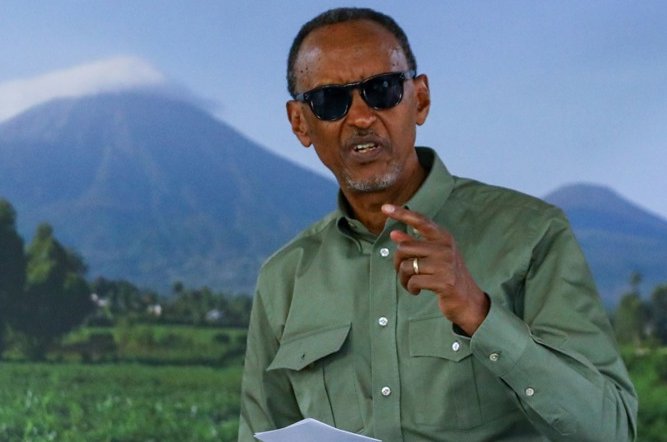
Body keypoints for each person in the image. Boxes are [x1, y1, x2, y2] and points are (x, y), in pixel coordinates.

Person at [238, 7, 637, 442]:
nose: (360, 117)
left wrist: (479, 313)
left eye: (382, 89)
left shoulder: (532, 236)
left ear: (420, 99)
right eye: (331, 101)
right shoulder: (285, 279)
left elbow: (611, 428)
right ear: (300, 122)